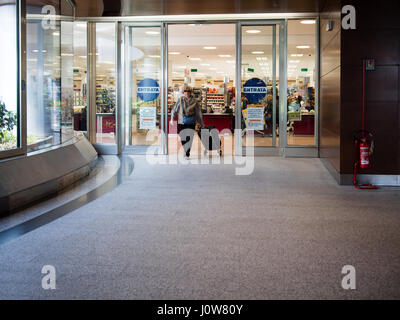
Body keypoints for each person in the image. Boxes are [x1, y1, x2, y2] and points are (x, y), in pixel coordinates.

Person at [170, 85, 203, 159]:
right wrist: (172, 119)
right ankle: (185, 149)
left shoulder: (195, 101)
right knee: (183, 137)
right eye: (185, 91)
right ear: (183, 92)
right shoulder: (180, 100)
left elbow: (198, 113)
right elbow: (174, 109)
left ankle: (187, 152)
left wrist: (201, 123)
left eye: (188, 91)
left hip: (191, 122)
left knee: (189, 138)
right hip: (181, 122)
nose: (187, 92)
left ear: (191, 92)